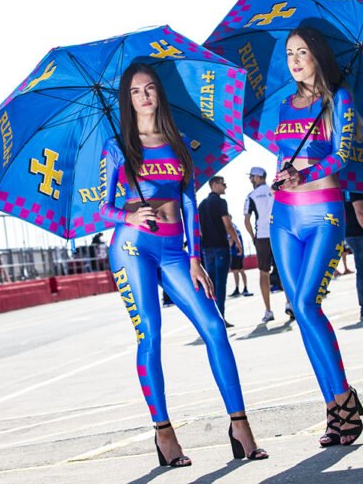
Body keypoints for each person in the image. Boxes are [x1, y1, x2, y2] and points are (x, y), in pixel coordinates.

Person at [98, 63, 267, 467]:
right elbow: (102, 208)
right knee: (151, 335)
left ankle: (239, 425)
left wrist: (194, 257)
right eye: (136, 91)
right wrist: (129, 216)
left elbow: (189, 201)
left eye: (150, 88)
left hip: (176, 250)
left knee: (213, 327)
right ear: (128, 99)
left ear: (159, 93)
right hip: (132, 248)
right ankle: (164, 432)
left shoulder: (179, 143)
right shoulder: (117, 144)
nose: (144, 96)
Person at [271, 27, 363, 447]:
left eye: (302, 51)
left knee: (309, 304)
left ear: (317, 56)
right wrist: (281, 176)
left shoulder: (338, 100)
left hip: (324, 211)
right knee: (300, 311)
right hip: (283, 217)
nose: (294, 59)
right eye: (289, 52)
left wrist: (304, 172)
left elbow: (341, 156)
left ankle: (344, 398)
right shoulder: (282, 105)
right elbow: (281, 155)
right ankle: (332, 408)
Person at [243, 166, 292, 322]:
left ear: (258, 177)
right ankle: (289, 303)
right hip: (279, 234)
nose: (250, 179)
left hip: (263, 237)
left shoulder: (251, 195)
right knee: (284, 271)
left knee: (264, 273)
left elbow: (246, 220)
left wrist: (253, 237)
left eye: (251, 176)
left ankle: (268, 310)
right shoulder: (274, 190)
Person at [199, 176, 243, 327]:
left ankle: (211, 318)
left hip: (207, 249)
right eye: (223, 184)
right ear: (215, 185)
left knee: (210, 285)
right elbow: (228, 225)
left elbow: (198, 229)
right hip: (220, 247)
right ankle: (220, 318)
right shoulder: (220, 202)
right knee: (220, 284)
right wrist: (237, 242)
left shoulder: (202, 204)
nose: (225, 186)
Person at [228, 217, 253, 298]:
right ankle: (243, 288)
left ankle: (239, 288)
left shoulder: (231, 228)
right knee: (241, 271)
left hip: (235, 253)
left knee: (237, 271)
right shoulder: (235, 227)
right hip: (239, 253)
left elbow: (231, 242)